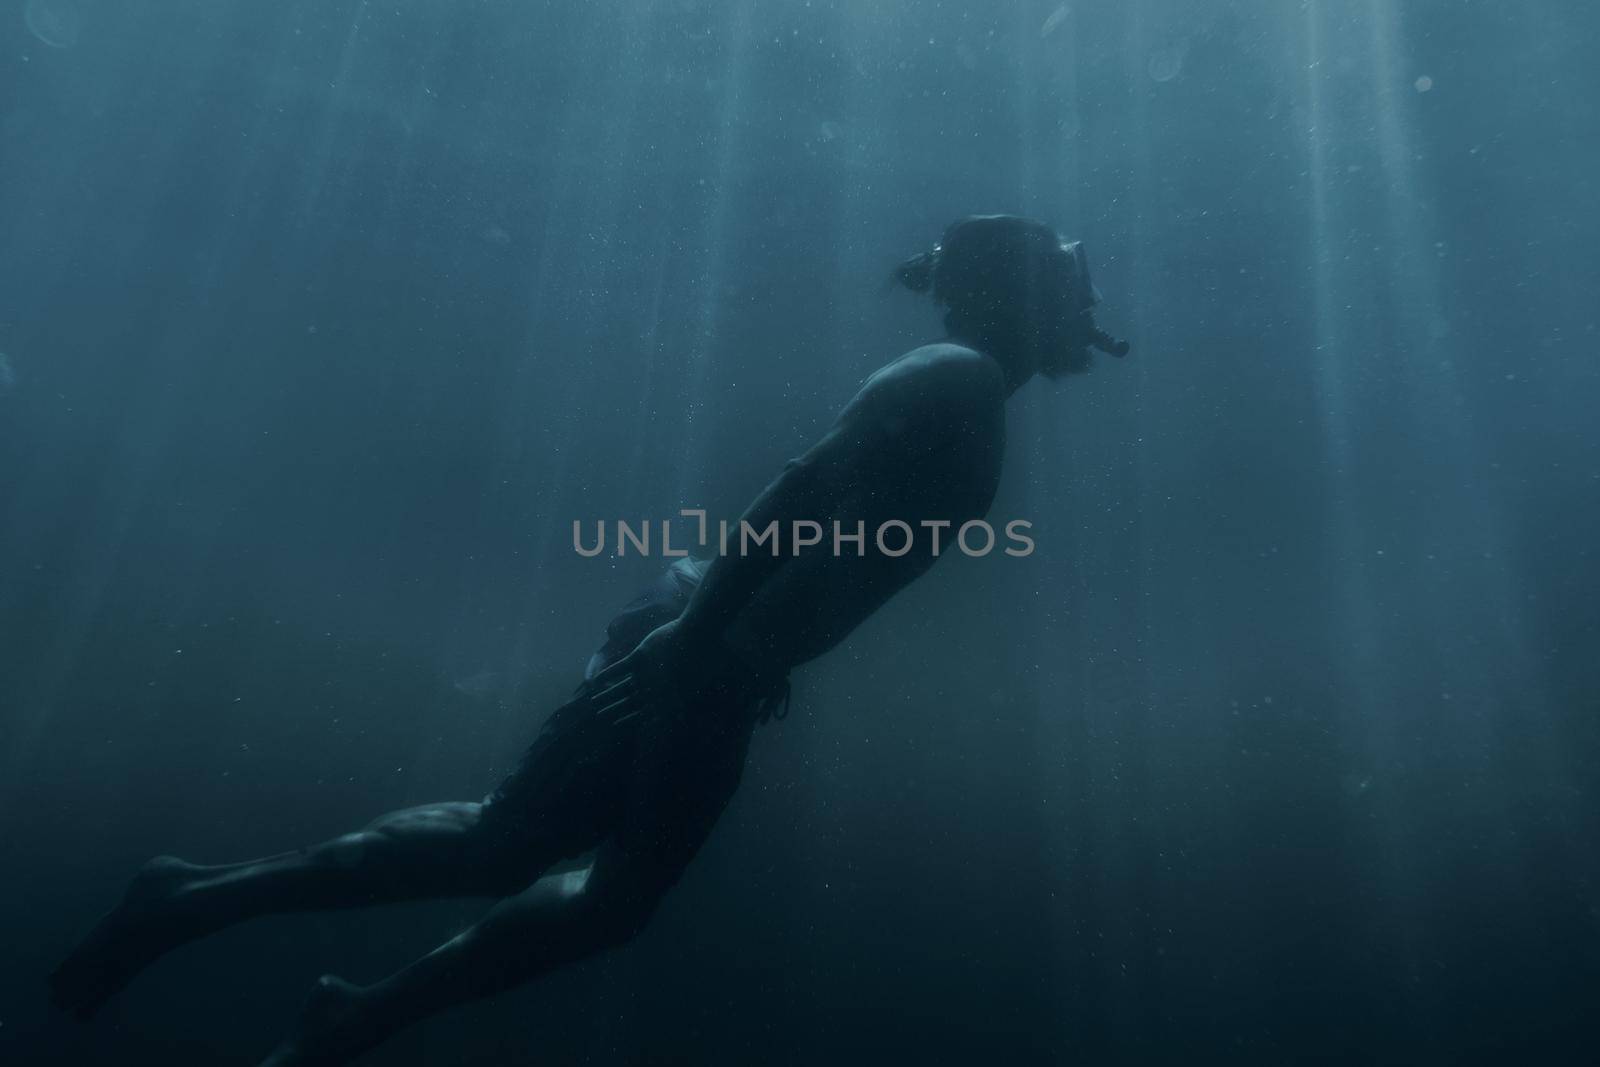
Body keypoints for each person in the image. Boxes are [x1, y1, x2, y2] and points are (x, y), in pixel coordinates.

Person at [49, 214, 1128, 1065]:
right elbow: (797, 491)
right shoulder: (958, 377)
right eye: (1069, 284)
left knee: (545, 862)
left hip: (720, 652)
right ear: (1019, 294)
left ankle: (279, 961)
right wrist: (701, 642)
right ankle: (245, 940)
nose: (1086, 302)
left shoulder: (966, 386)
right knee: (532, 857)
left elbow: (830, 532)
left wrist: (745, 649)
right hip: (702, 648)